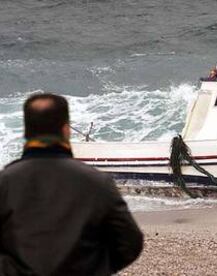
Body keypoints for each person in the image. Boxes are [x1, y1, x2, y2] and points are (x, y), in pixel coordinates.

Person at [0, 93, 143, 275]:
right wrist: (97, 267)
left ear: (26, 131)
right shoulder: (97, 182)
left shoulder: (5, 182)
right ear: (66, 129)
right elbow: (130, 242)